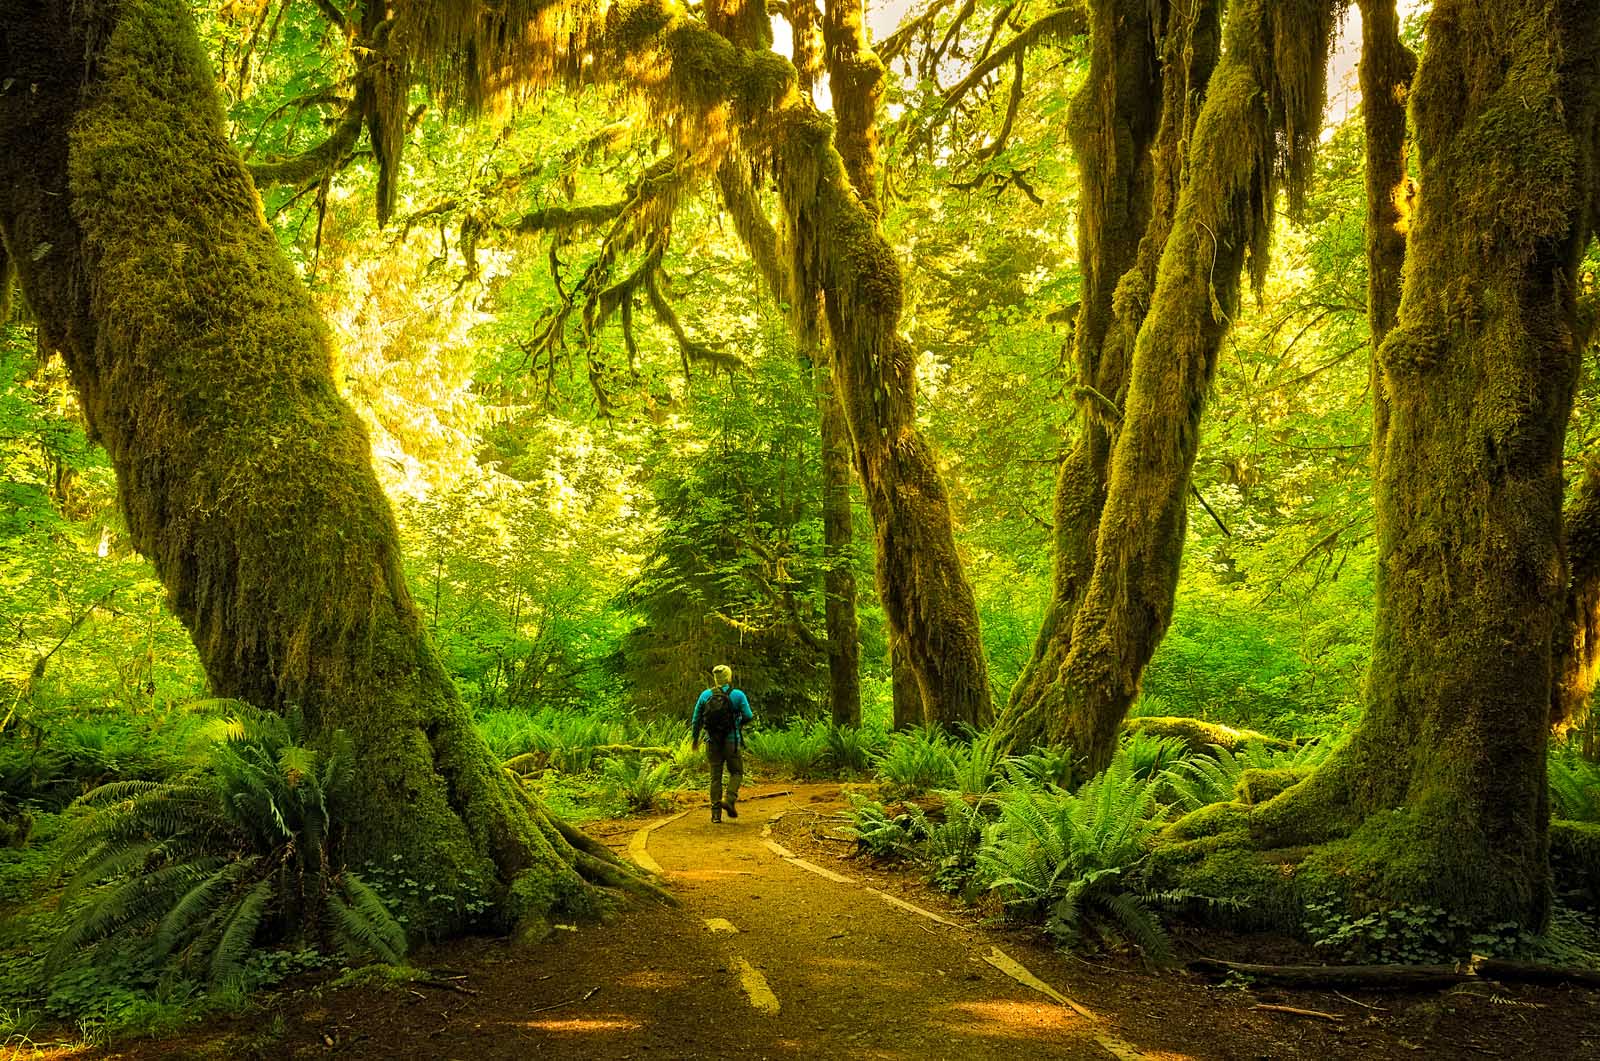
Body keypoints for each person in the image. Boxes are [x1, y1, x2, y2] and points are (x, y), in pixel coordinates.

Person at [691, 664, 753, 823]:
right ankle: (730, 799)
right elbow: (748, 715)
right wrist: (738, 723)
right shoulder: (738, 695)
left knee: (715, 777)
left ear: (716, 679)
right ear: (729, 677)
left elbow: (696, 719)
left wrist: (695, 739)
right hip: (731, 741)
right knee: (737, 772)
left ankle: (715, 815)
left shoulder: (705, 695)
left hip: (712, 741)